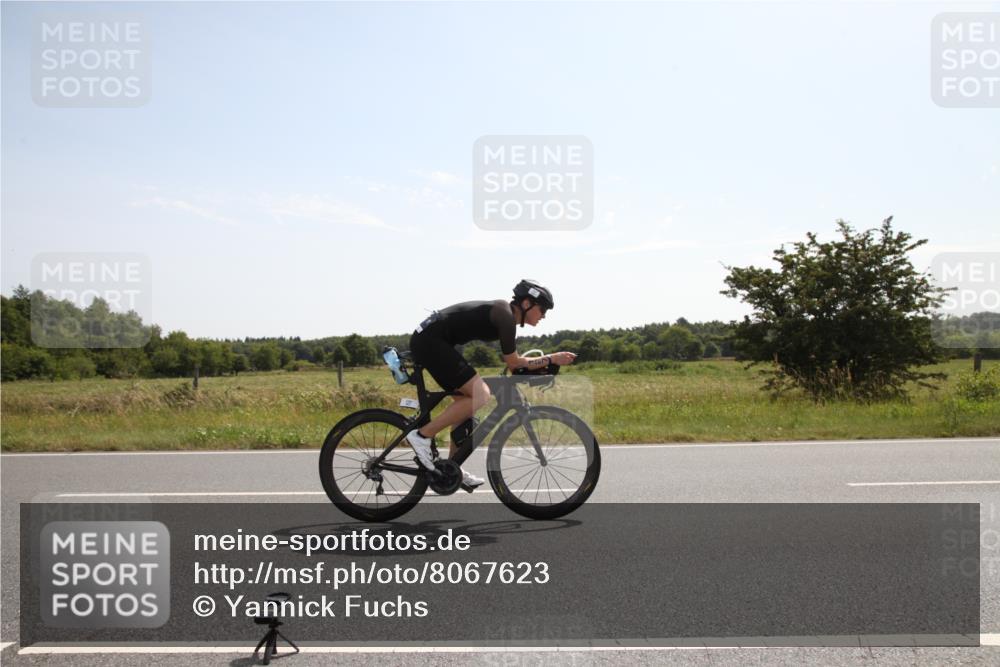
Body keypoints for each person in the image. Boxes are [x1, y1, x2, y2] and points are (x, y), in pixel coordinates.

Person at [405, 279, 577, 488]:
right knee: (481, 394)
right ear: (526, 304)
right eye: (542, 309)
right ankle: (422, 435)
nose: (544, 316)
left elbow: (514, 366)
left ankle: (451, 467)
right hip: (430, 341)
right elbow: (514, 363)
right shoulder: (505, 317)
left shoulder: (505, 316)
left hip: (433, 340)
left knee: (466, 403)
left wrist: (543, 365)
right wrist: (552, 358)